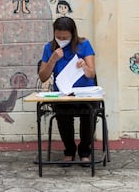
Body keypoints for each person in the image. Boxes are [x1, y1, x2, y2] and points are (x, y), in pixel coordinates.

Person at [38, 17, 96, 166]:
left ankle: (84, 151)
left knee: (89, 112)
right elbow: (43, 77)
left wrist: (84, 66)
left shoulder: (84, 45)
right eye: (58, 37)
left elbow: (92, 74)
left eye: (65, 37)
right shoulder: (49, 48)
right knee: (62, 114)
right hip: (62, 94)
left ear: (73, 34)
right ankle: (69, 150)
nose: (62, 40)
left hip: (84, 93)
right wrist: (52, 59)